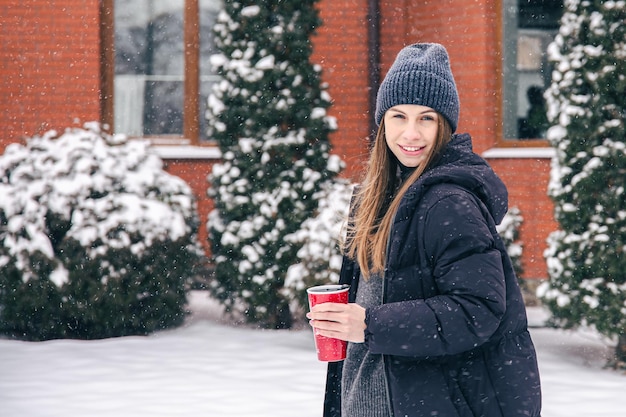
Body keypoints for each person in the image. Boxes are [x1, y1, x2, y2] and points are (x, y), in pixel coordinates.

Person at [307, 43, 542, 417]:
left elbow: (478, 309)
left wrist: (370, 323)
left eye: (426, 118)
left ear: (445, 125)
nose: (410, 133)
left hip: (430, 401)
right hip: (374, 396)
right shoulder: (378, 197)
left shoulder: (447, 202)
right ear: (383, 121)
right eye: (399, 116)